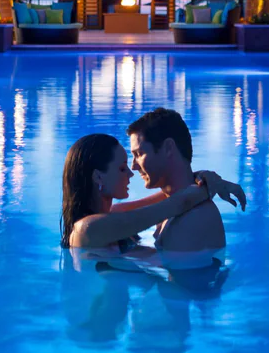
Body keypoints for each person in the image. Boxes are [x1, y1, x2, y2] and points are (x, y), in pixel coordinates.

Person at [60, 132, 244, 252]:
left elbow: (170, 194)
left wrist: (201, 176)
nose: (131, 173)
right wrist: (212, 186)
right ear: (98, 177)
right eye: (122, 168)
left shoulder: (113, 215)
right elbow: (177, 203)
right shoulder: (88, 229)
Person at [126, 108, 239, 253]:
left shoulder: (192, 220)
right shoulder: (173, 207)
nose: (134, 166)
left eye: (139, 154)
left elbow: (185, 276)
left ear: (168, 148)